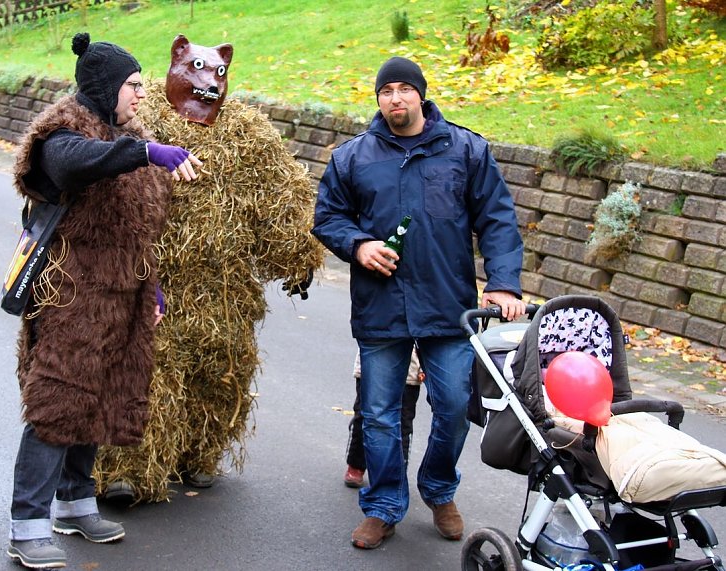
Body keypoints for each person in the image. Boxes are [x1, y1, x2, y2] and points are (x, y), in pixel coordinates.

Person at [93, 34, 325, 503]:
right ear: (175, 62)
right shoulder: (139, 118)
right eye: (196, 70)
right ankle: (125, 465)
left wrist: (299, 254)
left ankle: (199, 453)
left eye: (217, 73)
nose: (207, 83)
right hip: (154, 281)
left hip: (225, 289)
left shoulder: (248, 132)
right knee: (145, 371)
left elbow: (280, 199)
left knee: (219, 373)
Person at [312, 56, 527, 550]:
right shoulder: (353, 158)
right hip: (380, 307)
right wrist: (359, 245)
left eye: (404, 89)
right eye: (385, 90)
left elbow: (496, 218)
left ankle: (438, 489)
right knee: (380, 413)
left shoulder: (466, 150)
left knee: (453, 407)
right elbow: (328, 217)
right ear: (377, 99)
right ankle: (384, 505)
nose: (395, 99)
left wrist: (504, 284)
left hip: (446, 305)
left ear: (421, 95)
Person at [6, 32, 202, 569]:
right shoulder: (63, 131)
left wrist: (152, 286)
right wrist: (145, 151)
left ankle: (76, 503)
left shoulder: (124, 132)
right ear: (104, 85)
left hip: (122, 294)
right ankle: (27, 526)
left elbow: (137, 227)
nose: (141, 94)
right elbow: (75, 164)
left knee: (100, 397)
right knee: (59, 399)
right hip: (71, 294)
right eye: (132, 85)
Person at [345, 348, 422, 488]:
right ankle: (356, 463)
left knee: (402, 421)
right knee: (365, 415)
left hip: (410, 366)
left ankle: (397, 473)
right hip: (373, 354)